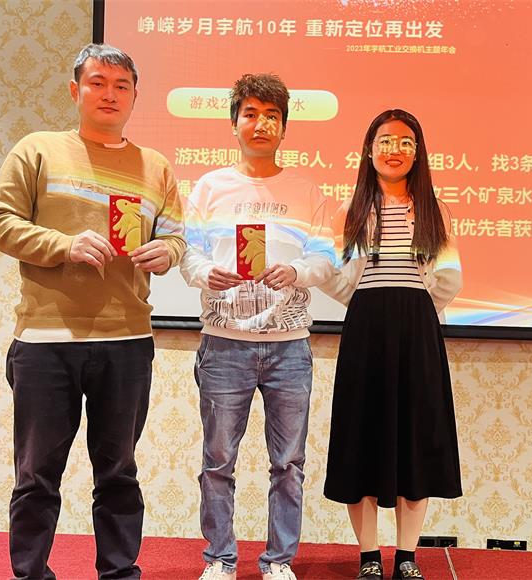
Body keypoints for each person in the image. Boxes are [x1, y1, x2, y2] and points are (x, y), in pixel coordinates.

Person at [0, 43, 185, 580]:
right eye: (97, 83)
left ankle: (119, 573)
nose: (109, 94)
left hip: (127, 340)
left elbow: (175, 237)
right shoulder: (37, 149)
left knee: (119, 473)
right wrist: (64, 245)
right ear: (76, 90)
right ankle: (30, 573)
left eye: (121, 86)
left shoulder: (155, 167)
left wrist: (167, 253)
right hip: (45, 342)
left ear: (135, 96)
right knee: (36, 475)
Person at [180, 73, 336, 580]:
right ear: (234, 124)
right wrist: (206, 273)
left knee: (288, 462)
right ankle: (220, 559)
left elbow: (326, 260)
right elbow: (189, 254)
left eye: (272, 116)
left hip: (289, 347)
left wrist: (297, 272)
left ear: (284, 128)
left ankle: (278, 561)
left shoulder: (307, 191)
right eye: (251, 114)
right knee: (217, 460)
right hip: (224, 344)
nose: (261, 124)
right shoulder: (209, 187)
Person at [320, 109, 463, 580]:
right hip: (366, 332)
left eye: (405, 142)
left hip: (417, 333)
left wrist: (416, 306)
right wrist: (368, 302)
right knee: (362, 438)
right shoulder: (349, 210)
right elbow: (337, 278)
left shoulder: (435, 210)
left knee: (414, 442)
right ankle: (368, 557)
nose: (394, 150)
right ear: (368, 150)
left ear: (417, 153)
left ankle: (406, 556)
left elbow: (448, 279)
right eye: (385, 141)